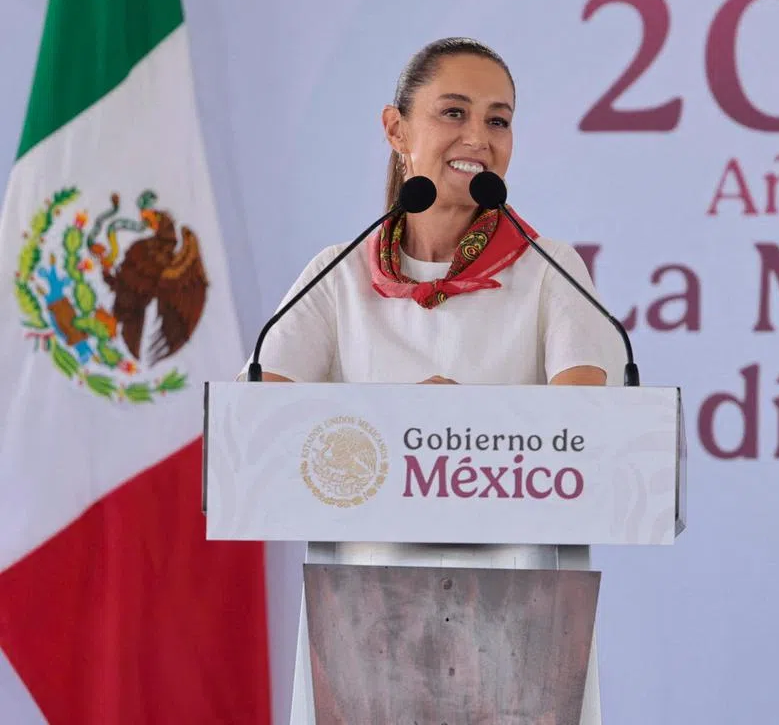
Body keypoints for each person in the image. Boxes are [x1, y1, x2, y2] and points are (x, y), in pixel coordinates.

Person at [244, 37, 621, 724]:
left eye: (498, 120)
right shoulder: (337, 275)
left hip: (521, 624)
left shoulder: (551, 272)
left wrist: (461, 424)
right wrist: (400, 423)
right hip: (360, 622)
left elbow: (586, 436)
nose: (479, 136)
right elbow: (265, 435)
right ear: (397, 131)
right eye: (454, 112)